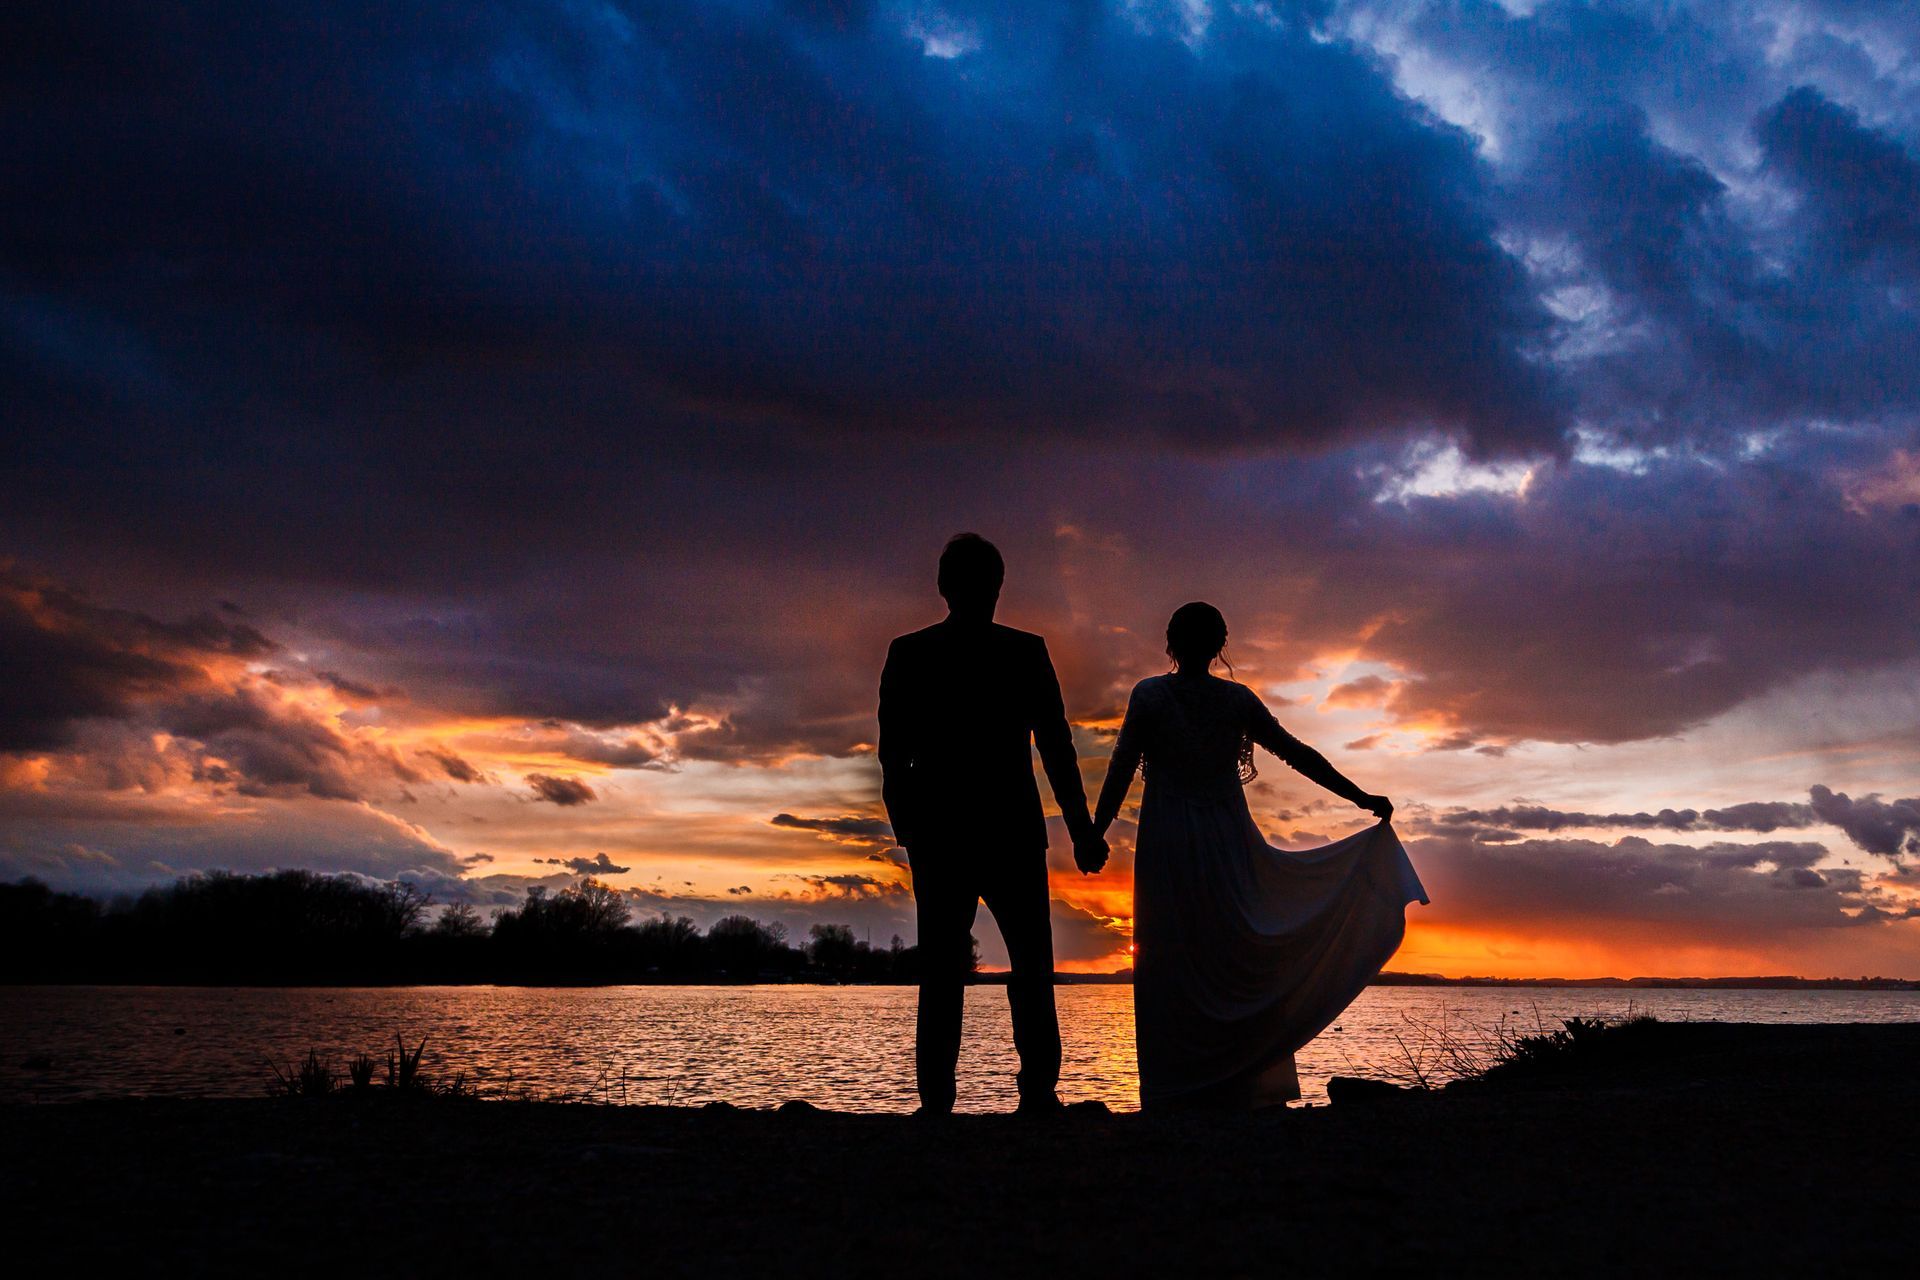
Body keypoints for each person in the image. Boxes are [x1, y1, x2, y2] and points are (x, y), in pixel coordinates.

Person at [1090, 602, 1427, 1109]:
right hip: (1225, 842)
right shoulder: (1231, 700)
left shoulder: (1153, 694)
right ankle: (1233, 1082)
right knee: (1228, 952)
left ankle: (1178, 1086)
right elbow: (1298, 753)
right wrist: (1359, 797)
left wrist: (1094, 833)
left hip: (1170, 842)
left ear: (1171, 643)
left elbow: (1120, 767)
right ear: (1219, 644)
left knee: (1173, 956)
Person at [878, 533, 1108, 1115]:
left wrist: (907, 823)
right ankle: (1033, 1094)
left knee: (950, 969)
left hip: (948, 831)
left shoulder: (912, 653)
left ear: (943, 586)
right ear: (996, 587)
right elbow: (1056, 748)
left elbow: (893, 753)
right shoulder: (1022, 653)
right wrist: (1081, 831)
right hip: (998, 829)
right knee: (1026, 964)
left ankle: (943, 1101)